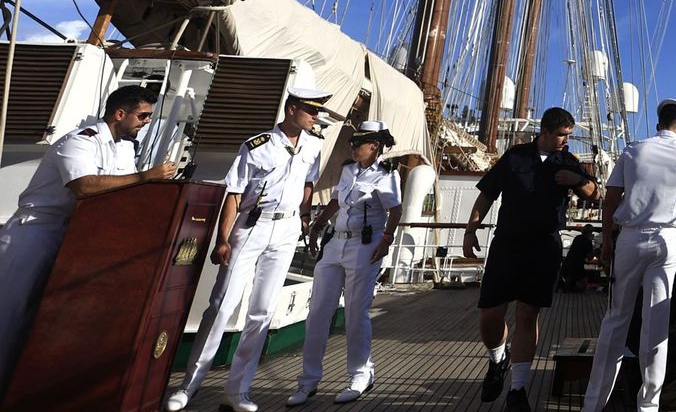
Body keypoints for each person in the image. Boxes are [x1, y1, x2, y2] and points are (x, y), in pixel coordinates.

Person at [165, 86, 335, 412]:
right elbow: (234, 193)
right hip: (252, 227)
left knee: (262, 311)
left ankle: (237, 391)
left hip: (285, 231)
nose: (316, 116)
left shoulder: (314, 146)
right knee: (222, 305)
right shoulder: (257, 145)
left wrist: (303, 215)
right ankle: (189, 386)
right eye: (311, 110)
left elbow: (308, 183)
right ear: (292, 110)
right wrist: (223, 239)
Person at [0, 85, 175, 388]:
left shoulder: (124, 147)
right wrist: (146, 177)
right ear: (120, 114)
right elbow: (84, 186)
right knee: (9, 315)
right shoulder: (80, 141)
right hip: (36, 232)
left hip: (80, 240)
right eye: (143, 115)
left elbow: (123, 191)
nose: (147, 121)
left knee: (44, 320)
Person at [581, 99, 676, 412]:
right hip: (666, 241)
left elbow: (610, 201)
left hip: (629, 240)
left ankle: (593, 404)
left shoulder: (632, 150)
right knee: (655, 324)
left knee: (616, 319)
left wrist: (606, 243)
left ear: (659, 123)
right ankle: (649, 405)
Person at [462, 106, 598, 411]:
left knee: (527, 315)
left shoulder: (569, 162)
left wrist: (575, 179)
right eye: (562, 134)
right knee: (490, 315)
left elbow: (594, 193)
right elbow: (487, 193)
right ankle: (498, 358)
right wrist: (471, 230)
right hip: (507, 243)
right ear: (546, 132)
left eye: (569, 135)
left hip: (543, 246)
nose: (566, 140)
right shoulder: (515, 156)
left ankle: (518, 389)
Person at [289, 121, 403, 406]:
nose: (352, 147)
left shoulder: (386, 175)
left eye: (358, 144)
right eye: (353, 143)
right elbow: (338, 201)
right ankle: (308, 380)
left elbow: (395, 209)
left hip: (365, 246)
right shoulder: (347, 169)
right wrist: (317, 226)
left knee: (355, 311)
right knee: (317, 312)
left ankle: (360, 374)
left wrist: (386, 240)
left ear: (374, 146)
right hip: (335, 243)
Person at [559, 224, 596, 292]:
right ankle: (573, 287)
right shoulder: (588, 241)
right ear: (590, 232)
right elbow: (590, 257)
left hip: (567, 263)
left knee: (571, 275)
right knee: (583, 285)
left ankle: (568, 285)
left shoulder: (577, 237)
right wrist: (595, 251)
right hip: (577, 266)